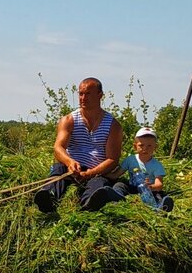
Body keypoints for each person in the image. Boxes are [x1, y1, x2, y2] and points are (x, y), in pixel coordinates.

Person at [34, 77, 128, 213]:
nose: (83, 98)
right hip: (71, 169)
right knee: (58, 171)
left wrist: (91, 173)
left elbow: (112, 159)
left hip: (96, 170)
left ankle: (89, 204)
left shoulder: (113, 125)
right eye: (81, 94)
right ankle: (48, 198)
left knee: (98, 183)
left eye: (88, 94)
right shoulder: (69, 120)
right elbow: (58, 147)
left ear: (100, 95)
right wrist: (70, 162)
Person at [120, 127, 175, 212]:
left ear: (155, 147)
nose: (145, 148)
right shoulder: (130, 160)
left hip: (149, 188)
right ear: (135, 146)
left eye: (149, 146)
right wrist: (106, 175)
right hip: (133, 187)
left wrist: (151, 187)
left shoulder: (157, 165)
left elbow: (159, 184)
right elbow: (117, 173)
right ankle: (116, 196)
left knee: (157, 194)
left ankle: (161, 206)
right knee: (120, 185)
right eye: (141, 145)